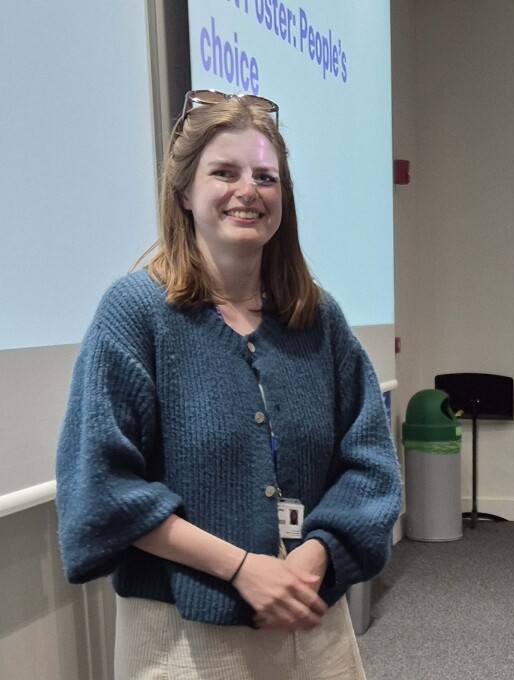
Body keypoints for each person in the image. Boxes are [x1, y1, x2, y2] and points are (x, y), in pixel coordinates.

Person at [55, 90, 402, 680]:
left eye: (266, 177)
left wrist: (316, 555)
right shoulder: (136, 314)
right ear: (184, 193)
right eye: (224, 173)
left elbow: (370, 465)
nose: (249, 190)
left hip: (313, 619)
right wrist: (242, 568)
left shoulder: (316, 319)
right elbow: (102, 487)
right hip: (184, 637)